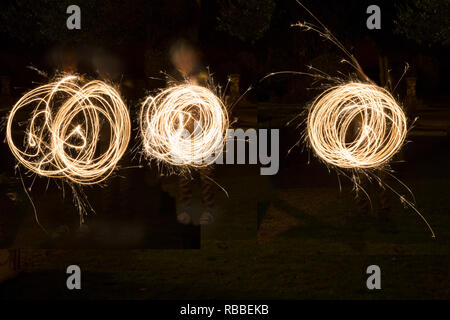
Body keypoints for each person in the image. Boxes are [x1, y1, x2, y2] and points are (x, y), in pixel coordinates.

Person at [170, 39, 216, 225]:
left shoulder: (203, 76)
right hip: (183, 135)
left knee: (206, 176)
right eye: (181, 59)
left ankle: (209, 210)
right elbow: (170, 104)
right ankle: (185, 209)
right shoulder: (172, 78)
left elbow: (214, 99)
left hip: (204, 133)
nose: (184, 62)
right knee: (184, 176)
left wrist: (196, 86)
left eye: (187, 58)